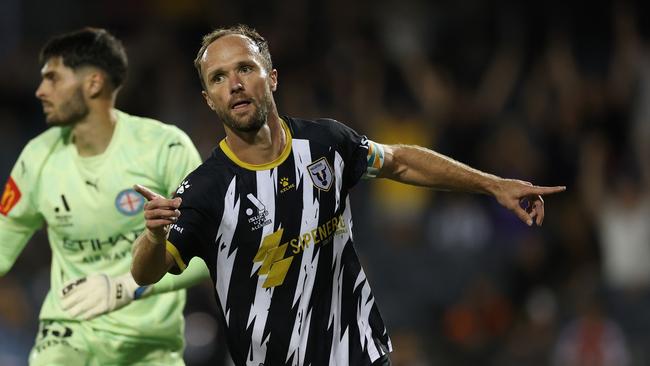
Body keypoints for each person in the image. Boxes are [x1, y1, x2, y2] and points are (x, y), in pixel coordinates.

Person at [130, 24, 566, 366]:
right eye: (219, 78)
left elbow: (399, 160)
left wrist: (492, 184)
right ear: (209, 100)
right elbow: (145, 273)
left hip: (360, 352)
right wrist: (152, 236)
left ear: (273, 77)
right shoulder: (206, 189)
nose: (235, 84)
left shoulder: (327, 143)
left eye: (245, 68)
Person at [0, 27, 210, 365]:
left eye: (53, 79)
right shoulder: (37, 157)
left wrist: (126, 286)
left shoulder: (164, 148)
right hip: (67, 340)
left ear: (93, 83)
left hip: (148, 346)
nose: (39, 91)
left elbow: (206, 254)